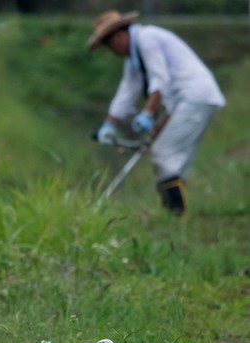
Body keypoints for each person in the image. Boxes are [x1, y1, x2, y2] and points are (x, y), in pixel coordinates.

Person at [88, 10, 225, 216]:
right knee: (173, 160)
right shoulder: (134, 60)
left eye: (110, 46)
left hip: (195, 96)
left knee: (164, 154)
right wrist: (109, 125)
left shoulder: (147, 38)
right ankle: (177, 216)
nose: (113, 51)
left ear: (118, 37)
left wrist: (148, 114)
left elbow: (159, 80)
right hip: (187, 100)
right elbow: (127, 92)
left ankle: (175, 216)